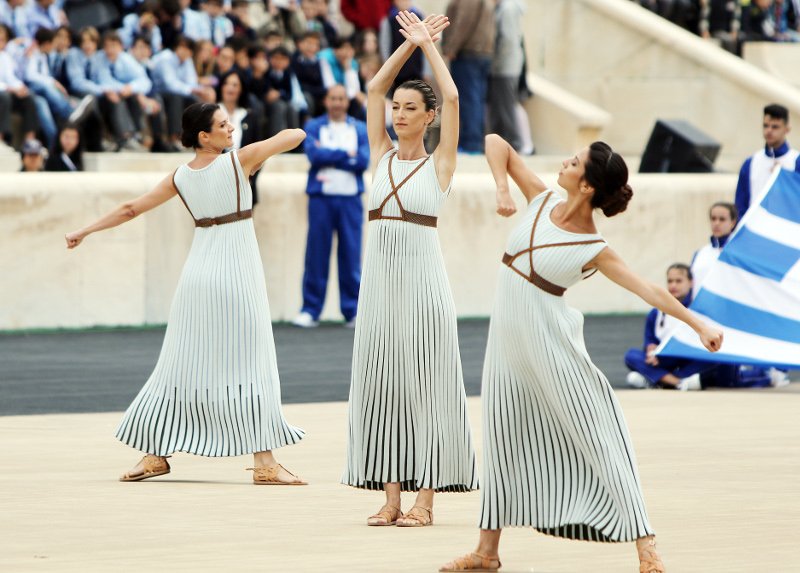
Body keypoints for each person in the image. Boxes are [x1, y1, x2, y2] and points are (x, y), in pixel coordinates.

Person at [439, 134, 723, 572]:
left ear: (587, 185)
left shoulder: (595, 248)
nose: (565, 163)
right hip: (508, 347)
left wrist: (698, 323)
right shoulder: (539, 199)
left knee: (600, 438)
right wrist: (500, 186)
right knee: (501, 438)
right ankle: (486, 553)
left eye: (574, 162)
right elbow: (496, 142)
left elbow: (648, 289)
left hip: (552, 347)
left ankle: (646, 547)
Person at [64, 103, 307, 485]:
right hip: (237, 273)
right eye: (222, 125)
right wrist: (254, 153)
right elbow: (297, 136)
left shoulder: (181, 176)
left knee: (180, 363)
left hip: (197, 272)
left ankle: (154, 455)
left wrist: (85, 231)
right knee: (253, 362)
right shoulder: (237, 160)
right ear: (203, 137)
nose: (230, 129)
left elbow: (131, 209)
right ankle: (265, 463)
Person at [342, 11, 478, 528]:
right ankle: (391, 497)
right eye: (396, 108)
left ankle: (425, 500)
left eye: (409, 108)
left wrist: (431, 48)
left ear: (430, 116)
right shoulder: (380, 155)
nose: (398, 114)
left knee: (427, 384)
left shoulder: (440, 163)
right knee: (386, 386)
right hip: (378, 288)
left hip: (423, 288)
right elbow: (374, 88)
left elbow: (458, 98)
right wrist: (407, 48)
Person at [292, 84, 369, 328]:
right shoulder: (314, 126)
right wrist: (347, 153)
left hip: (350, 199)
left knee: (351, 254)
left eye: (341, 98)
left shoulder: (359, 128)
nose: (337, 103)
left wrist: (331, 155)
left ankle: (352, 309)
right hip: (321, 199)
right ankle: (310, 309)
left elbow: (363, 161)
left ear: (347, 102)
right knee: (316, 254)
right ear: (326, 101)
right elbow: (314, 157)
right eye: (332, 98)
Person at [624, 263, 722, 390]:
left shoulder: (699, 309)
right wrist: (650, 349)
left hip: (688, 358)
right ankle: (677, 382)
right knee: (631, 356)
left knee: (715, 356)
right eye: (670, 281)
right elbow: (650, 339)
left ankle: (655, 380)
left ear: (691, 282)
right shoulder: (656, 313)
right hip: (662, 359)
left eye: (678, 281)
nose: (673, 285)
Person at [442, 0, 494, 154]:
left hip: (468, 54)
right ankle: (474, 143)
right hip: (480, 53)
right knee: (475, 100)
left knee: (469, 100)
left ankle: (471, 144)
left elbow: (464, 21)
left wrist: (451, 47)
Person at [734, 103, 800, 220]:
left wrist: (783, 177)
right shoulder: (751, 163)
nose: (769, 131)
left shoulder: (796, 161)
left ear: (787, 129)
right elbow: (740, 206)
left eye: (775, 127)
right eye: (766, 126)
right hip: (756, 231)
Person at [487, 0, 525, 152]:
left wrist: (494, 61)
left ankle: (512, 145)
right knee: (499, 107)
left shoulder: (508, 8)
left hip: (505, 66)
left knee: (505, 108)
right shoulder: (505, 7)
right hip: (504, 65)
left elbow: (507, 40)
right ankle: (501, 145)